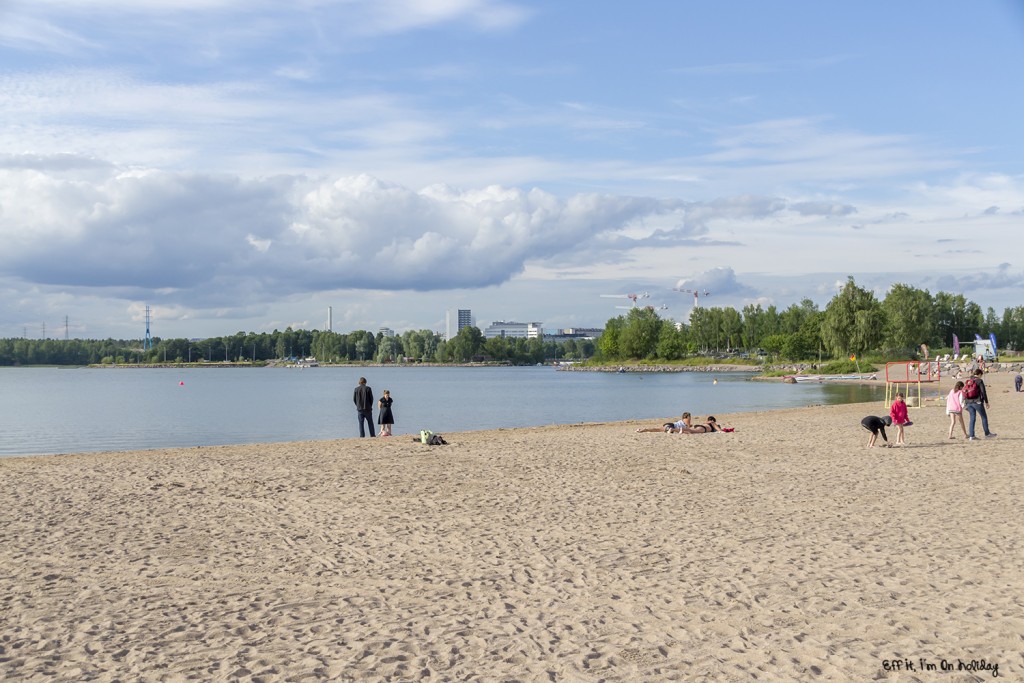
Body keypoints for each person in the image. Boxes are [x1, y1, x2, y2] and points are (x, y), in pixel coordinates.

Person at [964, 369, 996, 440]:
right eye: (981, 375)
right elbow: (983, 392)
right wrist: (986, 402)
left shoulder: (969, 380)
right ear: (979, 374)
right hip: (977, 402)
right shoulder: (979, 381)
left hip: (968, 402)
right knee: (983, 417)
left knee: (972, 418)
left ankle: (971, 436)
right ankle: (987, 433)